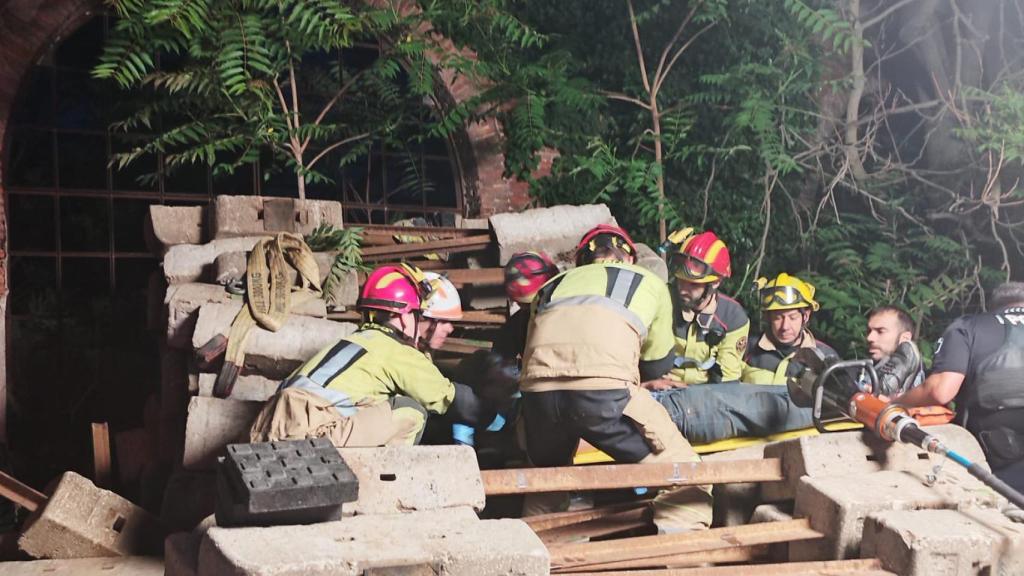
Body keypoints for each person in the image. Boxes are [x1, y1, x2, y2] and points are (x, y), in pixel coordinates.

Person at [519, 224, 713, 533]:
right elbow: (656, 364)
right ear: (630, 258)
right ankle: (682, 555)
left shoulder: (550, 286)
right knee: (685, 476)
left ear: (581, 261)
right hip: (604, 396)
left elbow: (530, 354)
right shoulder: (649, 281)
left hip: (538, 399)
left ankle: (537, 553)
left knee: (546, 483)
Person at [250, 264, 491, 447]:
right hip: (307, 438)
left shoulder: (354, 341)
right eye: (418, 313)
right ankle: (384, 491)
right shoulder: (395, 351)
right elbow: (450, 399)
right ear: (402, 315)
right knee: (411, 410)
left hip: (262, 429)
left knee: (380, 404)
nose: (449, 329)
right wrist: (502, 415)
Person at [893, 282, 1024, 493]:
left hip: (1000, 454)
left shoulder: (971, 326)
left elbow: (940, 390)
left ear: (994, 307)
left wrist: (895, 402)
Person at [646, 230, 749, 388]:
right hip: (658, 388)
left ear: (715, 282)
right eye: (680, 280)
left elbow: (728, 382)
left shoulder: (732, 317)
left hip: (706, 396)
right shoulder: (660, 299)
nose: (682, 289)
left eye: (693, 284)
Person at [743, 273, 837, 385]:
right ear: (767, 318)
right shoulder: (748, 348)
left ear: (805, 316)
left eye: (793, 318)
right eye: (777, 318)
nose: (785, 326)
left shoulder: (825, 356)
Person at [492, 251, 560, 360]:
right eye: (523, 305)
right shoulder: (517, 324)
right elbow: (499, 359)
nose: (531, 309)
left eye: (527, 305)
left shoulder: (568, 315)